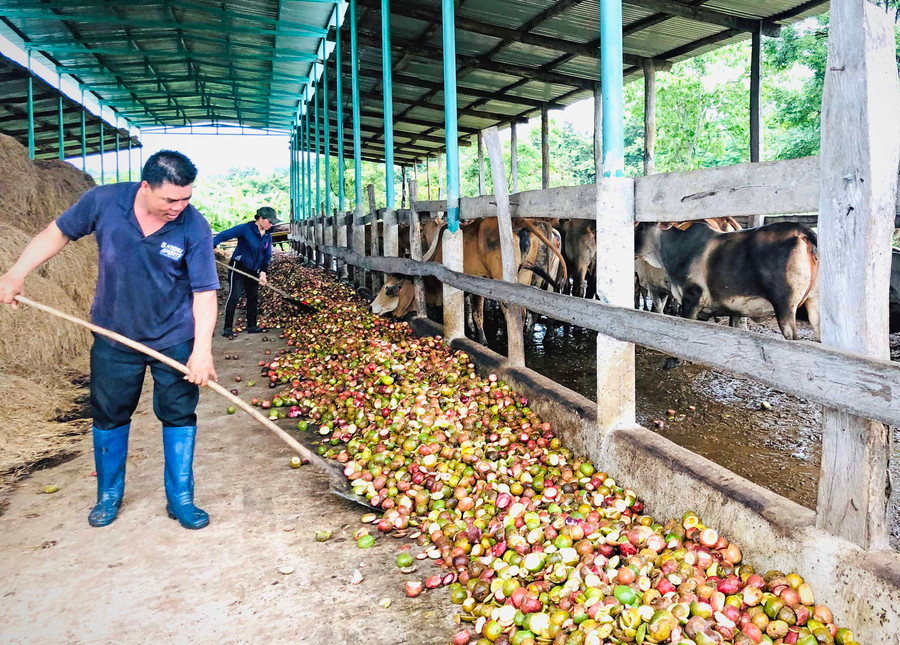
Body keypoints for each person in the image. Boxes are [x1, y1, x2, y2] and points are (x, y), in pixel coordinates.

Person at [0, 150, 219, 530]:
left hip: (173, 337)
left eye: (186, 198)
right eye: (171, 199)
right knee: (109, 413)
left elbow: (204, 292)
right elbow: (58, 232)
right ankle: (109, 495)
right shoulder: (103, 201)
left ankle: (181, 498)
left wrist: (202, 351)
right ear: (146, 187)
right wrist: (16, 273)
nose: (179, 207)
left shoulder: (193, 226)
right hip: (114, 336)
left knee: (178, 413)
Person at [213, 206, 282, 338]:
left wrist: (263, 272)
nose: (271, 224)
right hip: (238, 267)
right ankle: (227, 327)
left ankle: (251, 325)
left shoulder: (267, 234)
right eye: (270, 221)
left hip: (254, 270)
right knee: (235, 295)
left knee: (253, 296)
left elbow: (267, 255)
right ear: (261, 219)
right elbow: (224, 235)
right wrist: (212, 244)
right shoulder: (245, 229)